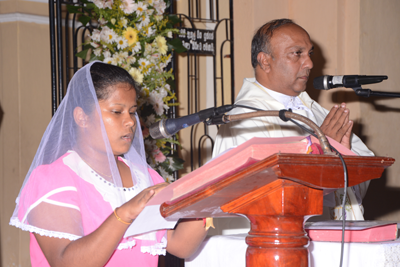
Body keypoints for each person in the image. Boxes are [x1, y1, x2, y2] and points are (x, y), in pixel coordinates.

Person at [9, 61, 208, 267]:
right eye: (117, 111)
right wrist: (124, 213)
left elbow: (179, 245)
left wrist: (206, 200)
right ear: (82, 117)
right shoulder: (52, 179)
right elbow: (65, 261)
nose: (130, 121)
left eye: (132, 111)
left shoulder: (145, 178)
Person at [212, 19, 374, 231]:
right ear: (265, 61)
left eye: (309, 53)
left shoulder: (314, 111)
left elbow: (367, 166)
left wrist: (342, 154)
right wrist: (321, 151)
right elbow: (261, 195)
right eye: (297, 53)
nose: (309, 64)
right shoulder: (243, 120)